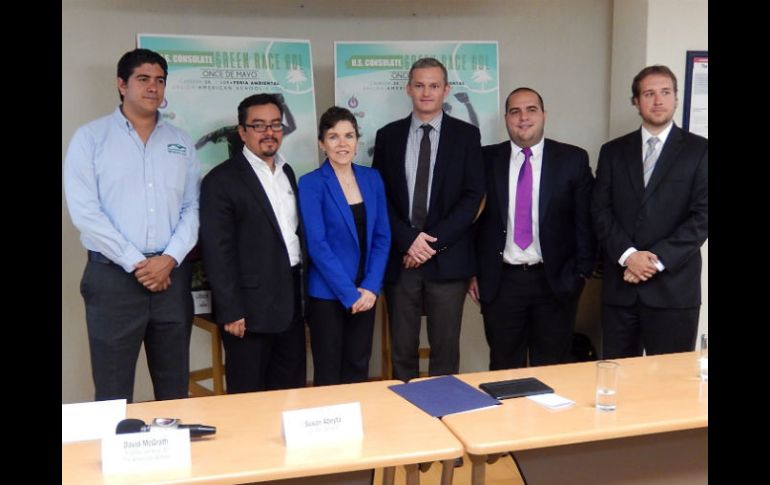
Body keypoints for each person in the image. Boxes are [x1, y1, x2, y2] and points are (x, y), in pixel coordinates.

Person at [63, 48, 200, 402]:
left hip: (170, 278)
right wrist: (138, 263)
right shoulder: (90, 139)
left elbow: (192, 207)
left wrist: (168, 259)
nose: (153, 87)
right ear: (122, 85)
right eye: (143, 79)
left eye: (160, 80)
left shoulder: (180, 141)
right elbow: (86, 213)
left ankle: (172, 442)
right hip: (113, 279)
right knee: (112, 391)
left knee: (174, 389)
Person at [372, 58, 485, 381]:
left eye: (434, 86)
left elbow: (472, 197)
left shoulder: (466, 136)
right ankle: (404, 409)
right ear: (408, 89)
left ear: (445, 90)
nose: (426, 92)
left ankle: (443, 407)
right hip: (402, 259)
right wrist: (409, 240)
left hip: (448, 260)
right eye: (419, 85)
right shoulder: (388, 136)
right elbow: (380, 196)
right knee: (402, 349)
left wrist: (429, 244)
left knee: (445, 351)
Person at [468, 87, 596, 369]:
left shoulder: (572, 159)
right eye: (515, 111)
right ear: (506, 118)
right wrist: (472, 271)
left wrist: (581, 273)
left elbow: (586, 221)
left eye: (531, 110)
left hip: (555, 281)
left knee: (552, 369)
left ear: (544, 115)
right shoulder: (485, 159)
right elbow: (471, 221)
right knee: (504, 368)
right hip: (501, 282)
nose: (523, 117)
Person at [592, 65, 708, 358]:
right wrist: (629, 256)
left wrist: (654, 262)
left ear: (676, 98)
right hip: (621, 288)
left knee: (669, 380)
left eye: (665, 92)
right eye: (649, 94)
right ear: (636, 101)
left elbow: (702, 217)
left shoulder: (700, 151)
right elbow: (600, 210)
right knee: (618, 377)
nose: (658, 101)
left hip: (674, 291)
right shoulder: (612, 151)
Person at [199, 93, 307, 393]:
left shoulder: (287, 172)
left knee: (291, 392)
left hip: (291, 301)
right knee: (248, 396)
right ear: (242, 131)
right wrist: (231, 310)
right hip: (248, 310)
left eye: (275, 124)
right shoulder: (220, 181)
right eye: (258, 125)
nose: (269, 132)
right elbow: (217, 251)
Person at [298, 107, 391, 386]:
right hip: (328, 294)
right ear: (322, 144)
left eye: (349, 136)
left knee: (358, 367)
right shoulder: (311, 183)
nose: (342, 143)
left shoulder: (372, 178)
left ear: (357, 141)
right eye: (333, 136)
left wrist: (371, 287)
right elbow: (318, 245)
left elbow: (382, 237)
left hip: (366, 292)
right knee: (329, 372)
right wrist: (350, 295)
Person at [194, 93, 297, 158]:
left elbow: (291, 127)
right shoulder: (232, 131)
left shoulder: (269, 131)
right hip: (237, 173)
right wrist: (191, 151)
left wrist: (283, 105)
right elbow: (207, 138)